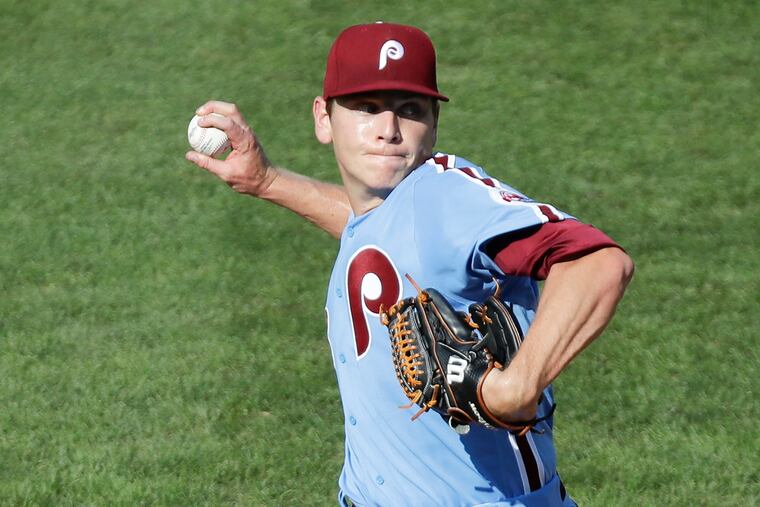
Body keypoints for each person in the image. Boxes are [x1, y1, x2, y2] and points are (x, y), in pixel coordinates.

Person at [185, 22, 634, 507]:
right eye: (366, 107)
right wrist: (268, 182)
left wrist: (514, 388)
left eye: (410, 110)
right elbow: (377, 233)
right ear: (323, 118)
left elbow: (598, 263)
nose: (388, 129)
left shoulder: (448, 192)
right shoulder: (395, 211)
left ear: (434, 124)